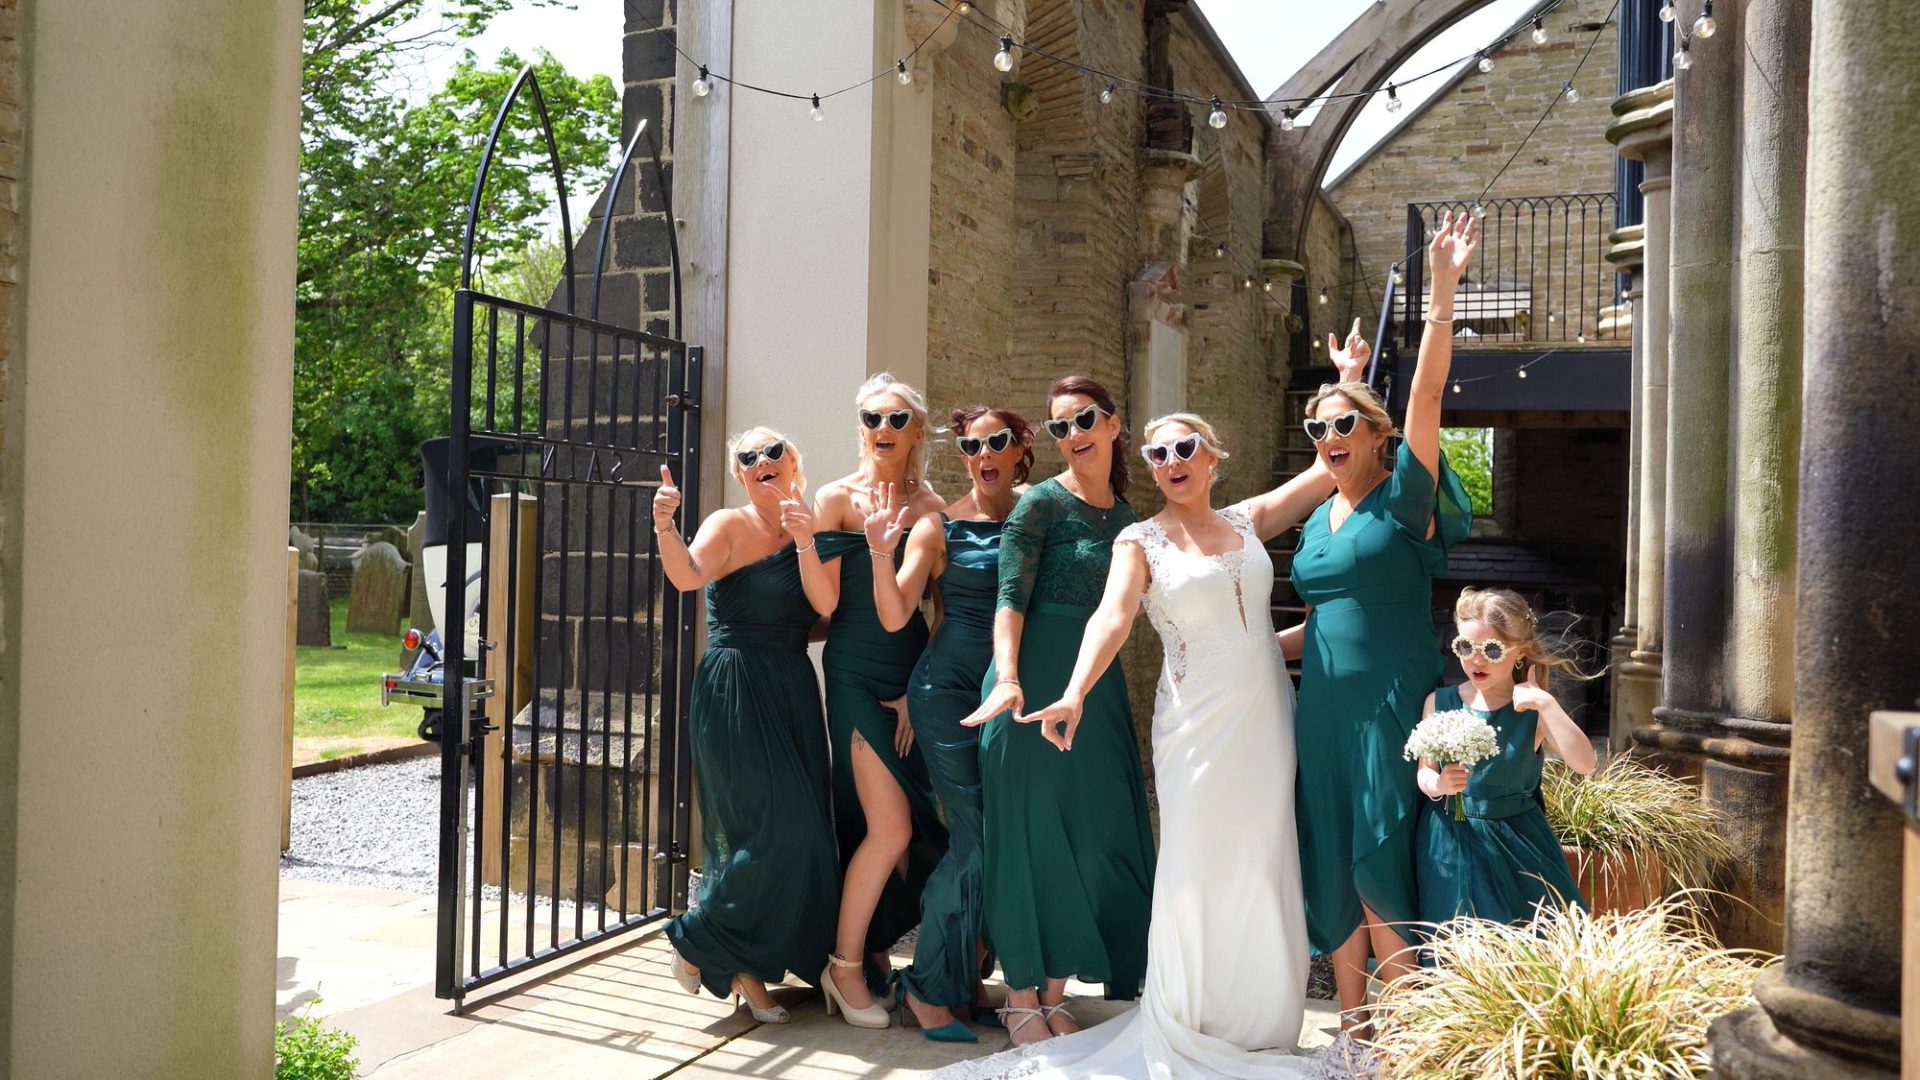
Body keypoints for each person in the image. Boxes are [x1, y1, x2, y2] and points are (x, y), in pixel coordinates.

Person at [953, 411, 1338, 1077]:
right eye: (1158, 453)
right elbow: (1112, 616)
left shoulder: (1248, 521)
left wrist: (1347, 383)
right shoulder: (1140, 540)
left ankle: (1261, 1017)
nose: (1170, 461)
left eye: (1184, 447)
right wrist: (1074, 690)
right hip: (1195, 723)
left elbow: (1328, 467)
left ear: (1212, 455)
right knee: (1197, 856)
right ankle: (1191, 1015)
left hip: (1265, 719)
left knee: (1261, 852)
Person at [1291, 209, 1477, 1048]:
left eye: (1342, 423)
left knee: (1379, 859)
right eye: (1315, 427)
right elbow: (1322, 619)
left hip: (1389, 706)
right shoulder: (1319, 517)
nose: (1327, 436)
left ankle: (1403, 1038)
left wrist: (1437, 297)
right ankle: (1351, 1030)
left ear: (1380, 437)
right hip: (1320, 708)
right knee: (1328, 858)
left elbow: (1429, 395)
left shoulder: (1405, 502)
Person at [960, 375, 1153, 1048]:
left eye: (1084, 420)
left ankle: (1057, 987)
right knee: (1027, 838)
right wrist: (1008, 677)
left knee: (1089, 836)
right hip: (1028, 681)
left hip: (1094, 690)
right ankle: (1020, 994)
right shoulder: (1038, 504)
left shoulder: (1131, 521)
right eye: (1059, 428)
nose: (1073, 435)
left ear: (1113, 424)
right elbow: (1009, 597)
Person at [654, 428, 840, 1024]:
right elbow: (687, 576)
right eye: (749, 457)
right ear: (740, 475)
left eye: (774, 451)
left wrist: (807, 538)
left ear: (793, 462)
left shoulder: (811, 525)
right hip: (735, 688)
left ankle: (745, 966)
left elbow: (825, 608)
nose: (762, 462)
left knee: (808, 833)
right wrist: (664, 525)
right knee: (768, 831)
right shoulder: (727, 524)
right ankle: (698, 939)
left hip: (790, 685)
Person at [864, 405, 1034, 1042]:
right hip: (948, 693)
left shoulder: (1040, 514)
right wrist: (882, 553)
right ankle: (929, 986)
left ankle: (963, 979)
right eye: (970, 445)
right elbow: (896, 613)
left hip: (1016, 693)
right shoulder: (938, 527)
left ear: (1020, 448)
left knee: (1004, 837)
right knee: (977, 837)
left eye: (996, 442)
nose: (983, 454)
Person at [812, 374, 950, 1027]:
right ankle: (842, 969)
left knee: (896, 833)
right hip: (855, 675)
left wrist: (919, 695)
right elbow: (825, 602)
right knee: (890, 826)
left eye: (898, 420)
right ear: (861, 426)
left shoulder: (932, 509)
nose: (885, 430)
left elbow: (944, 615)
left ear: (916, 431)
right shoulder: (835, 499)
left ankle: (869, 952)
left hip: (909, 681)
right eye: (874, 419)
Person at [1415, 587, 1597, 930]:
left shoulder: (1531, 710)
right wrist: (1437, 784)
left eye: (1493, 649)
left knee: (1526, 938)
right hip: (1450, 843)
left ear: (1519, 653)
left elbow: (1585, 763)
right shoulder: (1439, 702)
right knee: (1455, 940)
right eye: (1465, 647)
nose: (1476, 660)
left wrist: (1545, 703)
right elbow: (1425, 771)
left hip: (1519, 844)